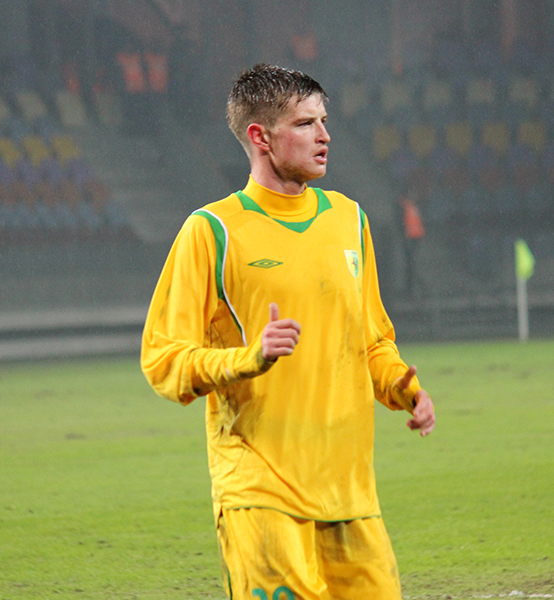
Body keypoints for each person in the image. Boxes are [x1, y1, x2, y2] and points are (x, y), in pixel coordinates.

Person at [141, 63, 435, 600]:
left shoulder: (350, 220)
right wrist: (246, 359)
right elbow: (163, 360)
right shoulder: (212, 232)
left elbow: (371, 340)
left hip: (349, 492)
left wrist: (402, 386)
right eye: (304, 124)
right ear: (261, 137)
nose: (324, 136)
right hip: (261, 492)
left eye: (324, 121)